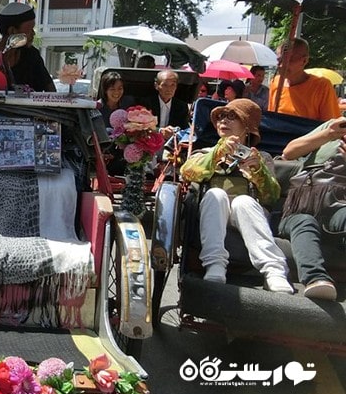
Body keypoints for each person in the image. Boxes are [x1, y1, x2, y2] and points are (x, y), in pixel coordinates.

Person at [180, 99, 294, 293]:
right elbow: (187, 172)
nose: (224, 121)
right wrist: (217, 154)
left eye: (232, 117)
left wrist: (258, 171)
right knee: (216, 194)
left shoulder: (262, 158)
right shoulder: (206, 152)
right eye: (221, 117)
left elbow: (271, 196)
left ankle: (274, 270)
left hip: (247, 215)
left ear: (247, 127)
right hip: (213, 213)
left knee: (243, 202)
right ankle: (215, 264)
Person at [277, 116, 346, 300]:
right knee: (304, 222)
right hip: (302, 204)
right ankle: (316, 278)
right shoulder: (332, 125)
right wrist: (328, 134)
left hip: (340, 205)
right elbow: (289, 152)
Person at [268, 38, 340, 121]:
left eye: (289, 60)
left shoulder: (321, 86)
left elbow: (330, 126)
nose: (281, 65)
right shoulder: (275, 82)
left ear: (304, 61)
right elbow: (272, 119)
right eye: (279, 60)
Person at [97, 71, 134, 176]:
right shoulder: (97, 108)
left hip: (126, 149)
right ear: (105, 90)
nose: (116, 92)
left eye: (120, 88)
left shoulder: (128, 104)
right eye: (112, 89)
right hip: (106, 151)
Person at [141, 70, 189, 139]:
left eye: (172, 85)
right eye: (165, 85)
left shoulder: (181, 106)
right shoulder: (146, 103)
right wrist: (160, 130)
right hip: (149, 140)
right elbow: (141, 125)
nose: (169, 89)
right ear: (156, 86)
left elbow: (183, 128)